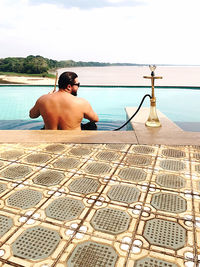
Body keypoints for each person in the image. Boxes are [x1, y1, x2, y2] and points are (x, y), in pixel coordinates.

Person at [29, 71, 99, 130]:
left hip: (50, 138)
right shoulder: (81, 102)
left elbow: (32, 115)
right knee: (92, 125)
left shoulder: (43, 99)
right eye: (77, 84)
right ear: (69, 86)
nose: (78, 87)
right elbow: (95, 119)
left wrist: (48, 96)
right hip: (72, 141)